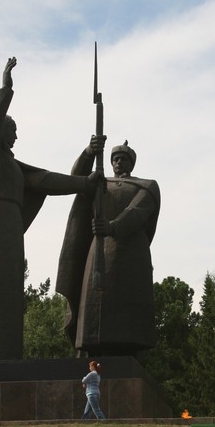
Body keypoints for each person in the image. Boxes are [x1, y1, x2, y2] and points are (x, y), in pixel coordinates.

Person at [0, 57, 102, 360]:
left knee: (9, 294)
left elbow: (45, 180)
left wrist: (84, 183)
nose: (16, 136)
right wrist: (6, 90)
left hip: (11, 232)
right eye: (12, 130)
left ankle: (6, 355)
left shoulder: (14, 167)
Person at [56, 137, 160, 356]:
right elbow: (75, 179)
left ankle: (129, 351)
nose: (119, 163)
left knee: (127, 307)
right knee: (96, 305)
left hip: (131, 255)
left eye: (124, 159)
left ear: (132, 164)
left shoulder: (147, 186)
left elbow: (137, 212)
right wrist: (89, 152)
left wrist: (112, 227)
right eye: (115, 159)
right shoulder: (99, 182)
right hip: (99, 250)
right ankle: (93, 349)